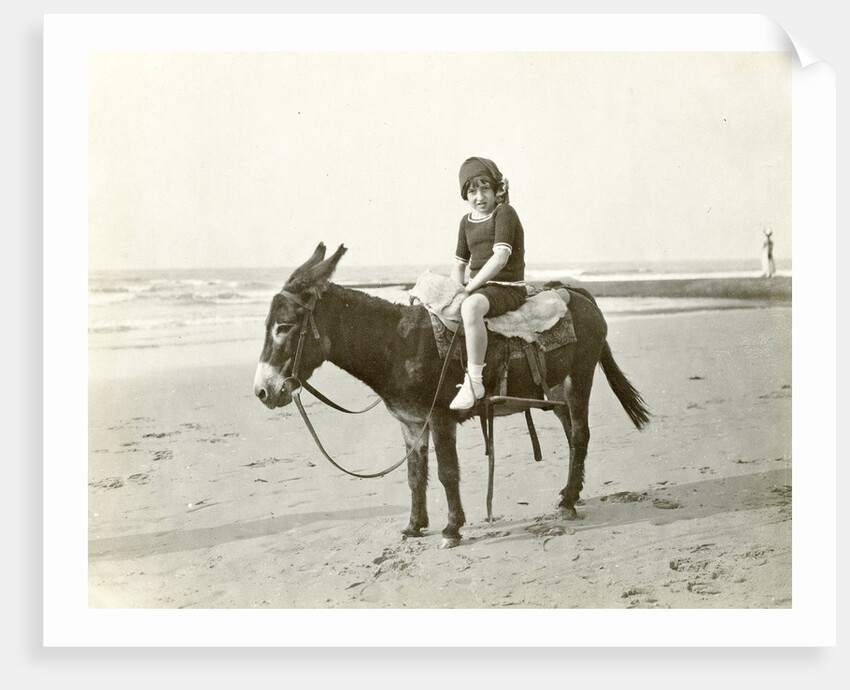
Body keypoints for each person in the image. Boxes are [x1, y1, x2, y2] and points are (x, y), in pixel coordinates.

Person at [449, 157, 527, 410]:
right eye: (472, 191)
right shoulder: (466, 221)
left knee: (471, 307)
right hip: (482, 289)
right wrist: (456, 291)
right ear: (465, 195)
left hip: (506, 288)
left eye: (485, 189)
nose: (480, 197)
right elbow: (459, 264)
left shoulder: (504, 213)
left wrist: (469, 289)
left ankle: (474, 382)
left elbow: (501, 257)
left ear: (496, 191)